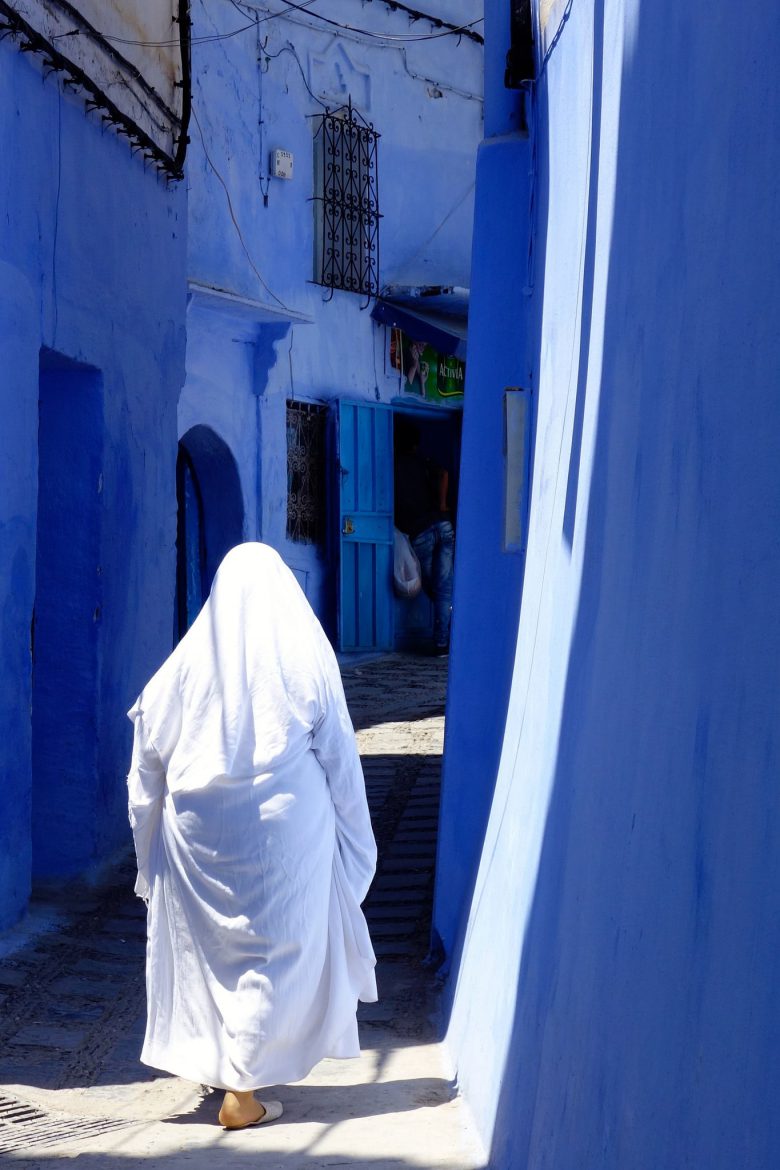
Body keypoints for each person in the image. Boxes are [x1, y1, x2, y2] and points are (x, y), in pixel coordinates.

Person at [126, 542, 377, 1130]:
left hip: (198, 835)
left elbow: (145, 770)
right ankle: (243, 1090)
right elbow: (341, 763)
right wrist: (357, 850)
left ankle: (230, 1070)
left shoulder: (185, 665)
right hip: (284, 833)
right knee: (271, 951)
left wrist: (148, 854)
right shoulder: (303, 658)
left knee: (214, 949)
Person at [394, 418, 455, 654]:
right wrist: (441, 506)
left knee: (438, 589)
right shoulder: (423, 462)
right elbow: (444, 474)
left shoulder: (393, 465)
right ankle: (447, 638)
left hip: (421, 534)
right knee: (443, 589)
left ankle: (443, 643)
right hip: (443, 526)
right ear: (416, 444)